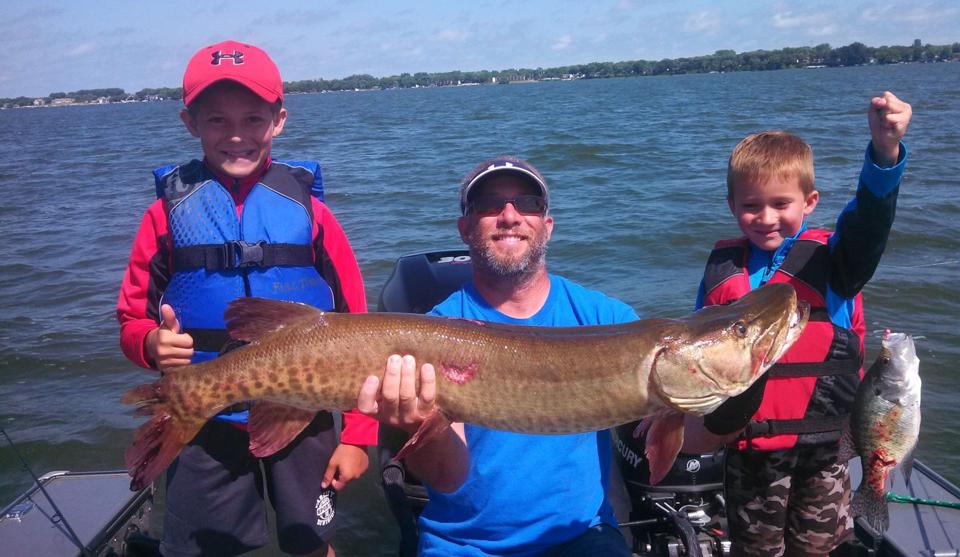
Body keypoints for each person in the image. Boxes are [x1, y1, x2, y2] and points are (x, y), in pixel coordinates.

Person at [116, 40, 377, 557]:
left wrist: (358, 435)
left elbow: (363, 333)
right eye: (216, 120)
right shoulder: (162, 216)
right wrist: (149, 344)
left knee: (311, 542)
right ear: (190, 122)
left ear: (279, 120)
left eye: (254, 118)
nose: (236, 135)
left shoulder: (313, 214)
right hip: (208, 422)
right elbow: (130, 318)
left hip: (304, 413)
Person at [357, 156, 638, 556]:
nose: (510, 215)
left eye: (527, 203)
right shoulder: (435, 332)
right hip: (465, 545)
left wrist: (733, 405)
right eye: (489, 205)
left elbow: (693, 438)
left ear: (547, 225)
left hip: (582, 537)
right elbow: (448, 478)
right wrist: (421, 426)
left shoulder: (607, 319)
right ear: (465, 229)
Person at [684, 92, 912, 556]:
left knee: (817, 549)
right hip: (749, 451)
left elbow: (870, 225)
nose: (766, 218)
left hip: (826, 453)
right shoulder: (722, 272)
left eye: (780, 203)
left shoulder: (837, 264)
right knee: (755, 550)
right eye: (751, 206)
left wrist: (884, 156)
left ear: (809, 202)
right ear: (731, 206)